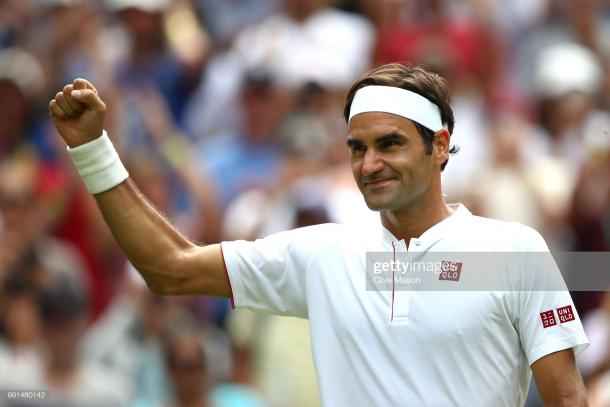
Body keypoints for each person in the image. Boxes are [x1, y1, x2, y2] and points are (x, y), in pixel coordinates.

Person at [49, 63, 589, 406]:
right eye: (357, 148)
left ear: (441, 145)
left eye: (390, 144)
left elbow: (567, 401)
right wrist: (91, 149)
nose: (370, 163)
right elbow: (169, 267)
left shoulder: (514, 251)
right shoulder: (323, 253)